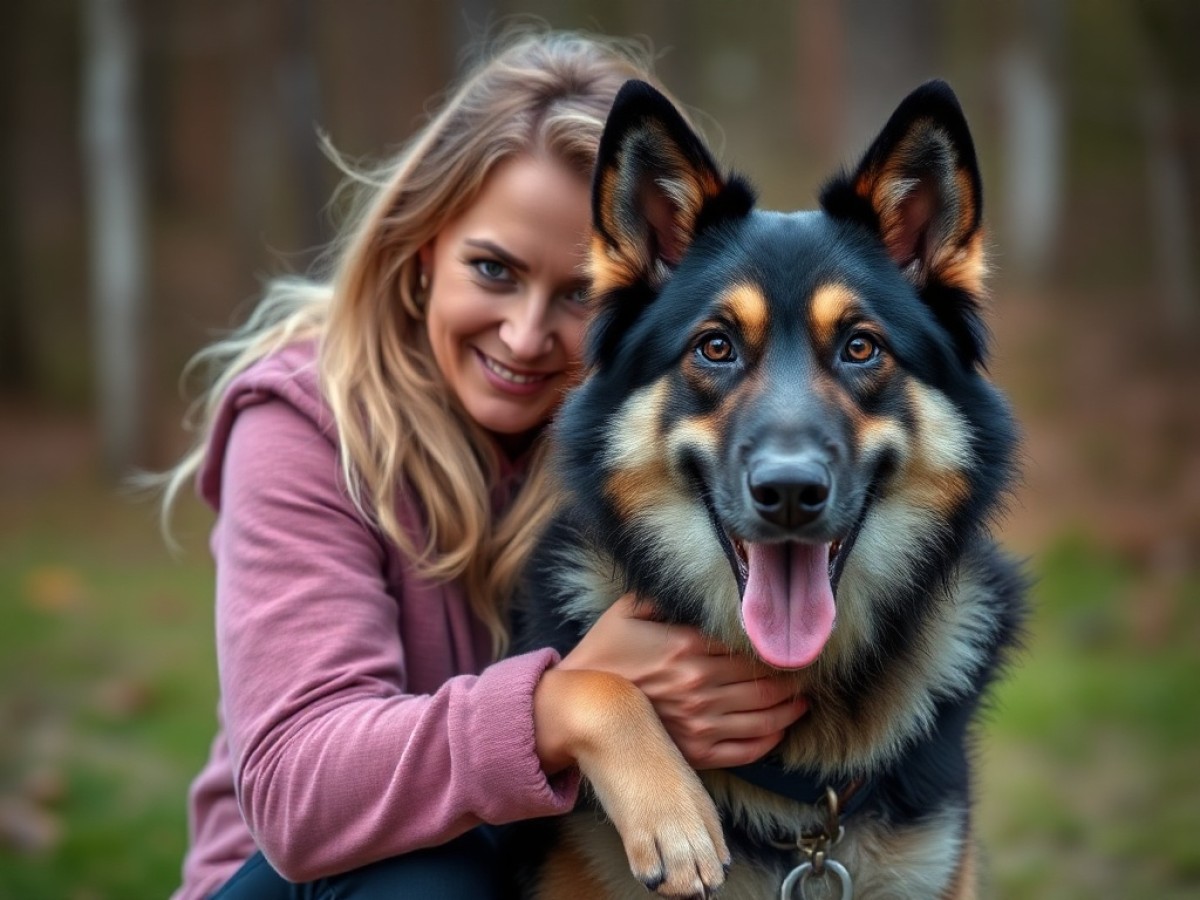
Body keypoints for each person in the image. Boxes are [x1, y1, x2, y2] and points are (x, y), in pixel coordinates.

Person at [158, 28, 808, 900]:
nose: (527, 335)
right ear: (423, 249)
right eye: (493, 269)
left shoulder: (649, 451)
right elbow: (297, 792)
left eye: (579, 292)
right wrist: (569, 705)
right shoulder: (303, 424)